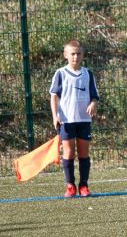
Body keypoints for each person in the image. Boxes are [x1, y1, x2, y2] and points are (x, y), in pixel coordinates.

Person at [49, 39, 99, 198]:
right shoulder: (61, 73)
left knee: (84, 153)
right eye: (72, 54)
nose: (75, 57)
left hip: (84, 119)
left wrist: (93, 104)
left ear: (83, 55)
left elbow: (94, 96)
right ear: (66, 55)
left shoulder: (88, 74)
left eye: (78, 54)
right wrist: (54, 115)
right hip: (66, 120)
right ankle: (70, 185)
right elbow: (54, 96)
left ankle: (83, 185)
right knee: (69, 153)